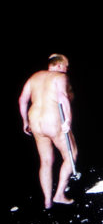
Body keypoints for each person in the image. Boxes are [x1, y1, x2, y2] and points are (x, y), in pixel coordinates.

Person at [18, 54, 78, 208]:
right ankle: (59, 194)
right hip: (52, 120)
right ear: (58, 66)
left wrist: (25, 121)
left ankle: (47, 201)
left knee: (45, 161)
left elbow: (22, 99)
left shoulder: (35, 77)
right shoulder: (59, 77)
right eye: (66, 66)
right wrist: (68, 121)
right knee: (71, 154)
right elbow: (63, 98)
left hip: (35, 122)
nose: (67, 69)